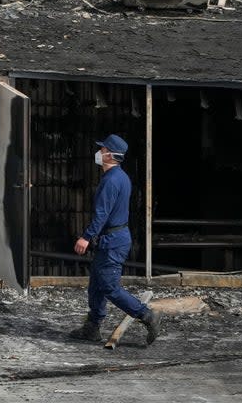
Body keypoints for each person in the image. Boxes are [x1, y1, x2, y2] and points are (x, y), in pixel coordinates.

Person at [69, 134, 161, 344]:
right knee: (97, 284)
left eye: (102, 150)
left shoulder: (111, 181)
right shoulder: (120, 177)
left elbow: (102, 214)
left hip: (113, 241)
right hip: (113, 239)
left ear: (110, 155)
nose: (99, 153)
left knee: (109, 286)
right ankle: (92, 327)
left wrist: (86, 237)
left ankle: (147, 315)